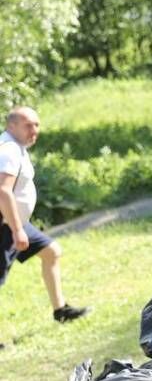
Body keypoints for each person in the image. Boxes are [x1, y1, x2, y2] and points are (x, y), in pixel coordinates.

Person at [1, 107, 89, 348]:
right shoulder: (8, 150)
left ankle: (60, 310)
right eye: (29, 125)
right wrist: (18, 230)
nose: (35, 131)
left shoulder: (15, 147)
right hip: (6, 225)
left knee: (51, 252)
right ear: (12, 125)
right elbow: (3, 192)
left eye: (37, 125)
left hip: (15, 222)